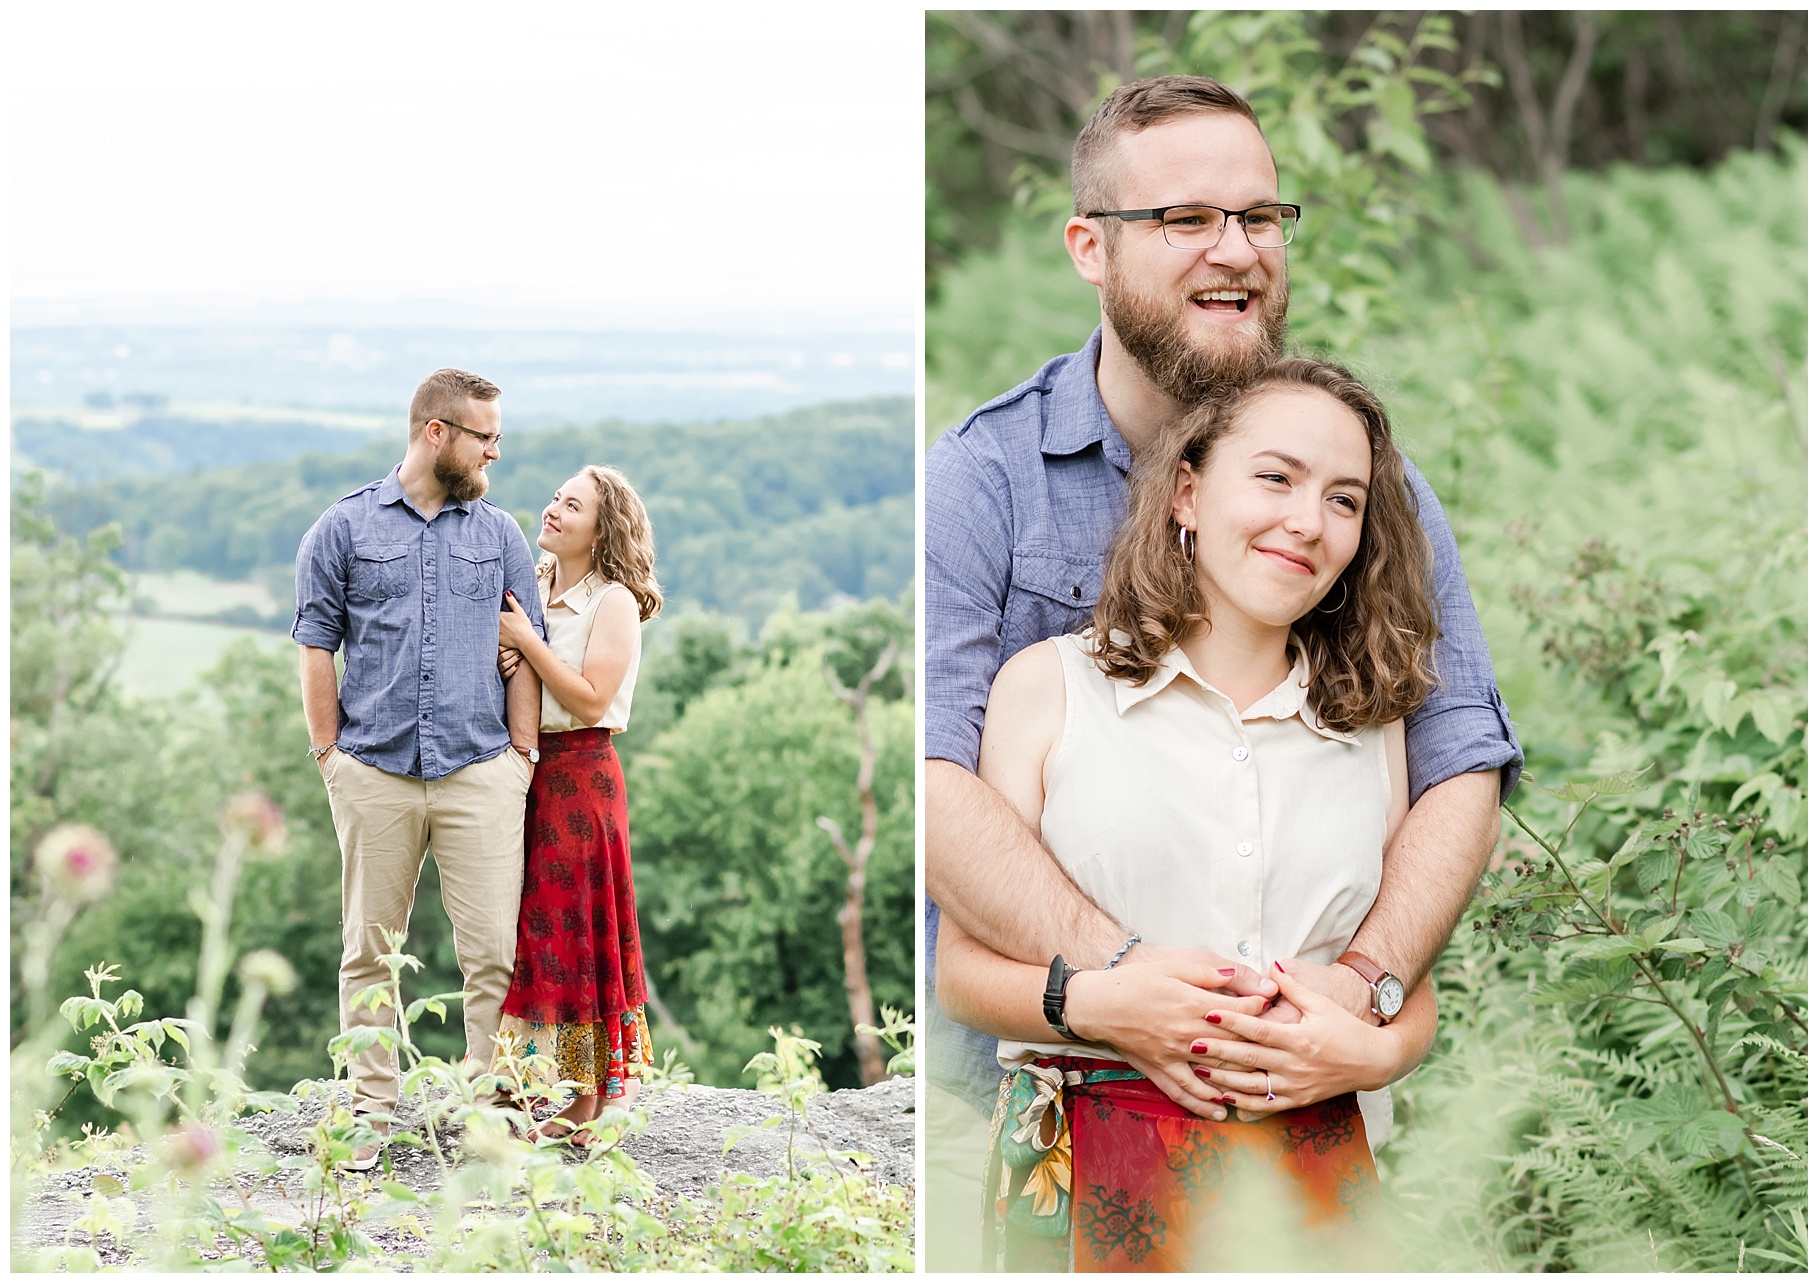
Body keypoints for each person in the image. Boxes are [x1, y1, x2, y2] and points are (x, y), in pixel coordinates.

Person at [924, 76, 1522, 1265]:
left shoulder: (1378, 491)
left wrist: (1363, 995)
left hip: (1309, 1129)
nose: (1237, 249)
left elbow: (1459, 761)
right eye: (1187, 219)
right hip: (1035, 1110)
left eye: (1260, 217)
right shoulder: (983, 480)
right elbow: (934, 783)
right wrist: (1123, 984)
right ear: (1090, 248)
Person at [942, 358, 1438, 1270]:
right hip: (1084, 1165)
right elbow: (961, 973)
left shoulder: (1372, 724)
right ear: (1187, 492)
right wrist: (1100, 1002)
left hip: (1315, 1176)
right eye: (1276, 478)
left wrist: (1366, 1056)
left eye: (1344, 500)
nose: (1307, 520)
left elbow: (1406, 982)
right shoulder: (1052, 687)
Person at [293, 367, 544, 1172]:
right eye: (484, 437)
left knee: (494, 952)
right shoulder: (342, 529)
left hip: (481, 769)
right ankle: (371, 1112)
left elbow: (525, 652)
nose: (495, 453)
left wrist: (523, 756)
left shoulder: (498, 534)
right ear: (437, 432)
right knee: (369, 948)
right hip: (374, 771)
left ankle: (490, 1114)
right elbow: (315, 646)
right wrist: (331, 756)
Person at [490, 465, 663, 1143]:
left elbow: (591, 697)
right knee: (541, 931)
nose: (554, 509)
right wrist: (511, 662)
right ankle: (566, 1093)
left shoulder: (611, 600)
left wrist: (526, 645)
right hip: (529, 771)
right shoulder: (531, 583)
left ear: (602, 527)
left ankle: (597, 1091)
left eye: (573, 504)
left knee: (574, 931)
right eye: (557, 498)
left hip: (584, 774)